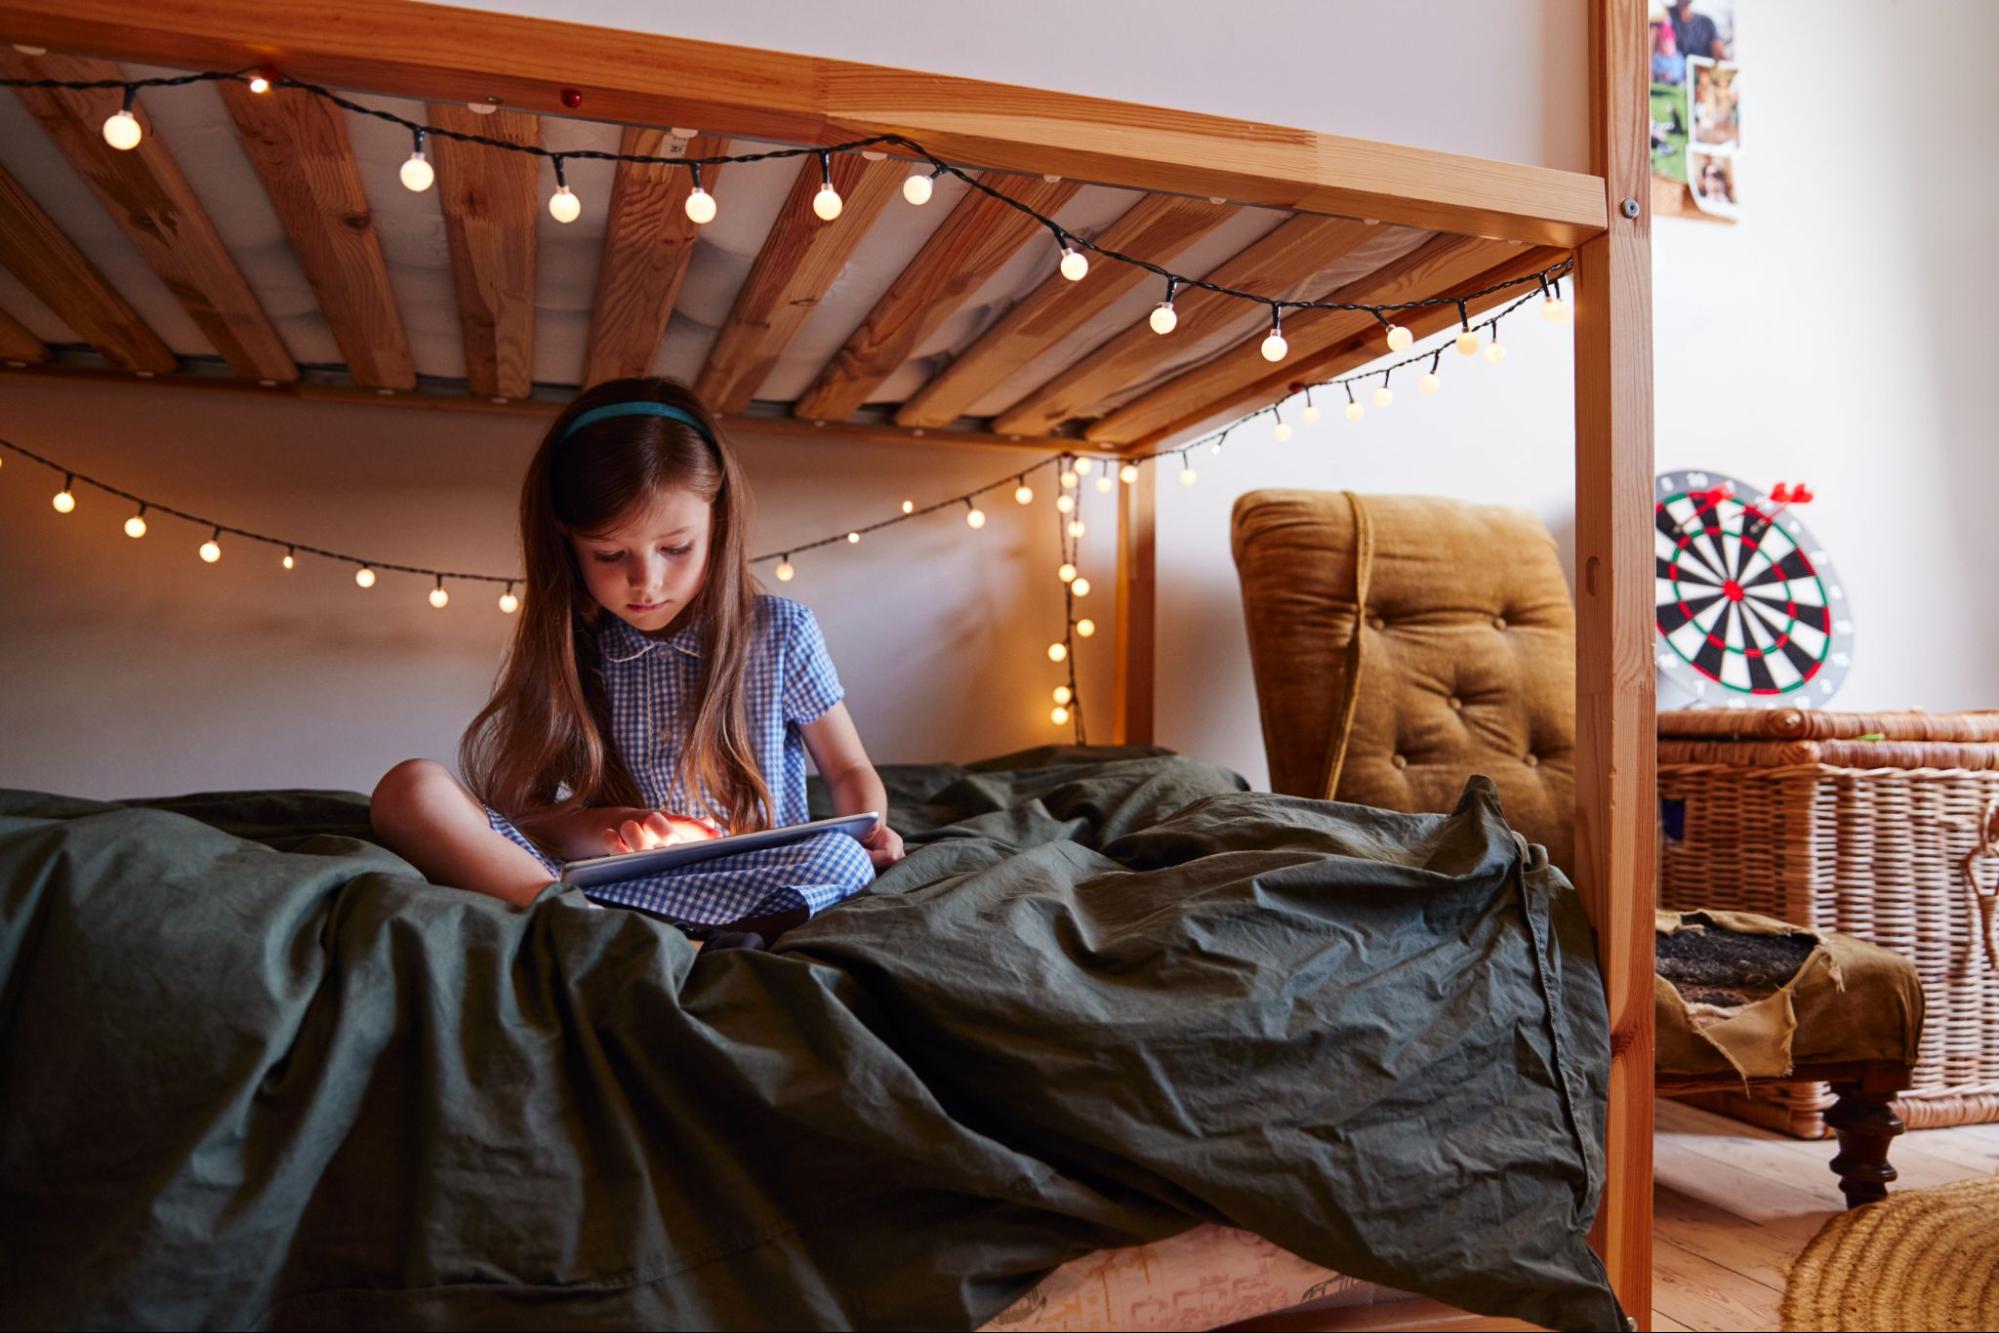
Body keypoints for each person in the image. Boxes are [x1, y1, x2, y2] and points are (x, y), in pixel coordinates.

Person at [370, 377, 903, 930]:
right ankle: (583, 926)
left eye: (675, 548)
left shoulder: (779, 632)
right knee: (410, 790)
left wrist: (868, 834)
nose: (645, 582)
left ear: (717, 521)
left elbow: (848, 768)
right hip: (599, 885)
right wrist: (616, 826)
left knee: (837, 859)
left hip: (754, 872)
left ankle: (618, 933)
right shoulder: (574, 646)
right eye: (608, 554)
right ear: (567, 543)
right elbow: (529, 823)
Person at [1651, 20, 1686, 85]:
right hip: (1662, 83)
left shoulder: (1679, 57)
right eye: (1665, 45)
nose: (1668, 48)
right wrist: (1662, 75)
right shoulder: (1658, 57)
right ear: (1659, 46)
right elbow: (1653, 70)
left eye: (1671, 45)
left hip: (1678, 83)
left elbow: (1684, 69)